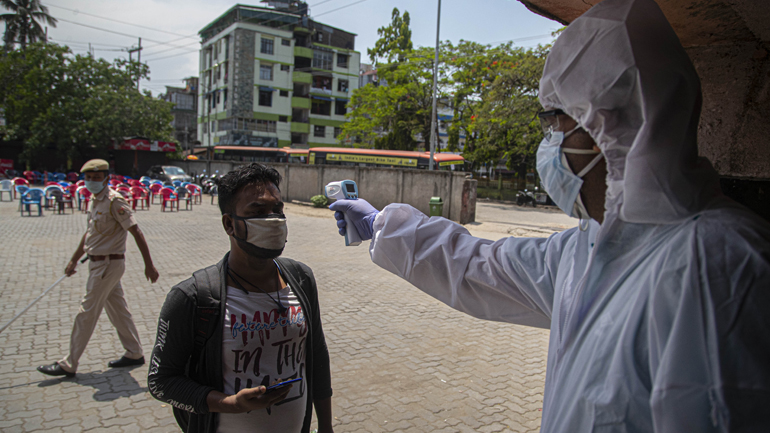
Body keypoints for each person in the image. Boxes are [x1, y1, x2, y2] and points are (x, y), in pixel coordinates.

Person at [329, 0, 770, 431]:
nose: (550, 142)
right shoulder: (590, 246)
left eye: (556, 122)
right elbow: (479, 267)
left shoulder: (718, 263)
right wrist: (383, 225)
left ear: (603, 128)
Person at [148, 163, 334, 433]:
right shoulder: (192, 297)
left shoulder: (301, 278)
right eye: (258, 212)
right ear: (229, 224)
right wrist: (227, 403)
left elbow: (316, 354)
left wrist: (326, 427)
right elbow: (161, 382)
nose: (273, 220)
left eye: (277, 210)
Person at [37, 159, 159, 377]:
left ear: (106, 178)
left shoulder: (115, 201)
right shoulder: (95, 200)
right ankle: (134, 353)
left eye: (96, 177)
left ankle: (69, 363)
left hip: (107, 265)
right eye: (89, 178)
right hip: (98, 264)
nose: (92, 181)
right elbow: (90, 234)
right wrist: (74, 260)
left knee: (86, 312)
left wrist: (149, 266)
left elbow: (136, 231)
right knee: (118, 311)